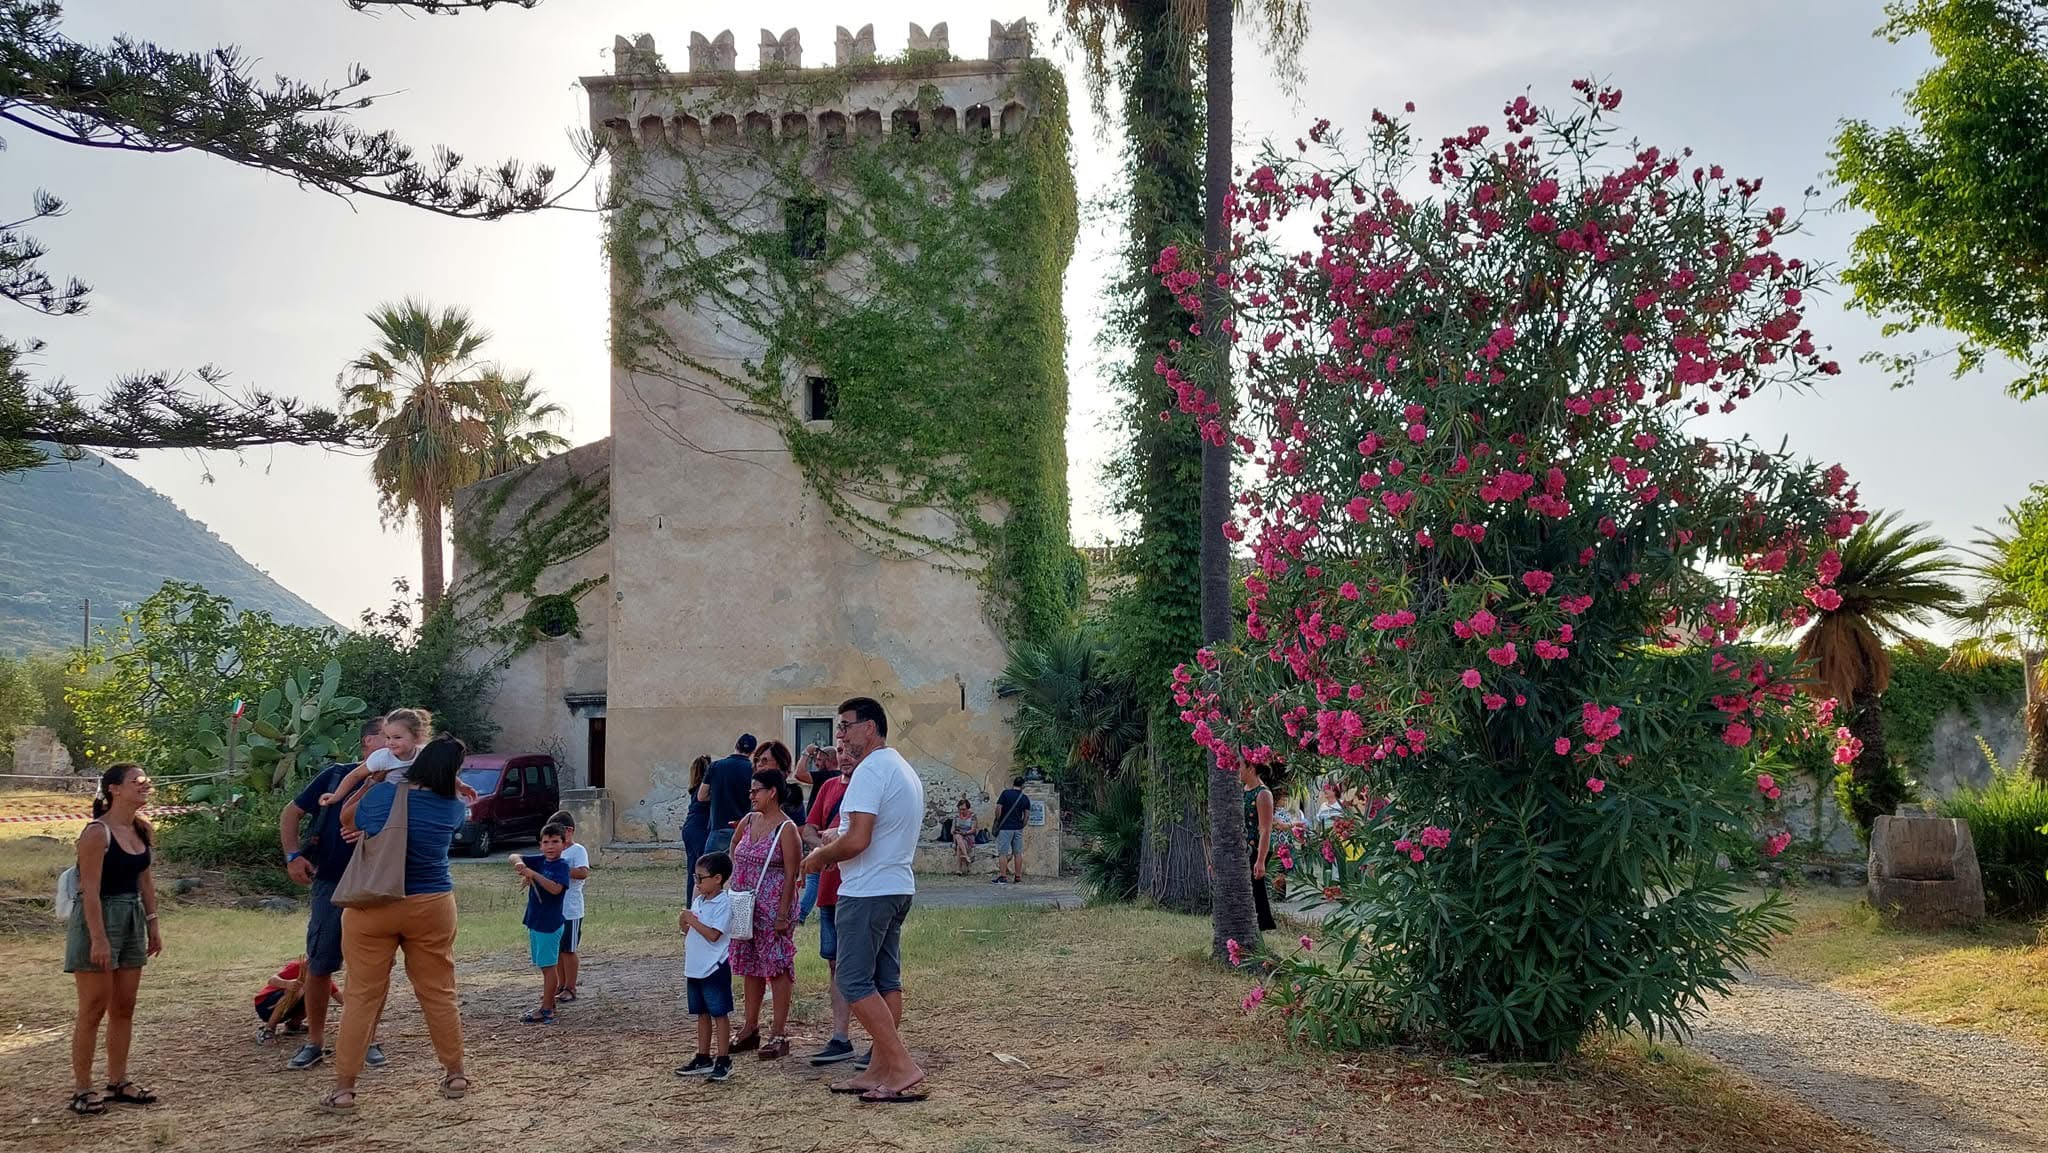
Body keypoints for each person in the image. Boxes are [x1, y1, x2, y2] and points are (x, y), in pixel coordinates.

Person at [319, 735, 472, 1115]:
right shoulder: (453, 808)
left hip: (375, 903)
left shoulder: (382, 796)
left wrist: (373, 779)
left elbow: (347, 819)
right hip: (432, 902)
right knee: (439, 991)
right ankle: (454, 1073)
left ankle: (344, 1088)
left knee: (362, 996)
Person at [800, 696, 926, 1104]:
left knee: (852, 980)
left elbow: (858, 839)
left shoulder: (870, 769)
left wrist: (819, 856)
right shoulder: (900, 767)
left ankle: (901, 1065)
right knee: (885, 979)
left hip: (867, 890)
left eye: (845, 726)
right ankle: (878, 1070)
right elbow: (869, 830)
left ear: (869, 727)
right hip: (895, 885)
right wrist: (838, 837)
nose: (839, 735)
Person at [279, 718, 389, 1072]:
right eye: (386, 737)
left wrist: (376, 836)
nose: (394, 746)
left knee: (374, 967)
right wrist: (293, 856)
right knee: (320, 963)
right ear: (367, 743)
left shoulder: (404, 782)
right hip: (331, 881)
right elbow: (291, 813)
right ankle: (315, 1041)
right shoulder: (334, 777)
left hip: (377, 886)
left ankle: (369, 1039)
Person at [64, 763, 162, 1116]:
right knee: (93, 1008)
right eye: (137, 781)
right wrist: (99, 938)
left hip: (132, 918)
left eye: (146, 780)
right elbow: (88, 891)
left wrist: (153, 924)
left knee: (125, 1006)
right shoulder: (96, 833)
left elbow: (146, 882)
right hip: (99, 919)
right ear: (114, 790)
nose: (145, 786)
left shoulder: (142, 829)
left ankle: (118, 1081)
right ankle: (82, 1088)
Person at [727, 768, 801, 1059]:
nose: (751, 795)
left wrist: (783, 913)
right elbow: (734, 844)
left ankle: (779, 1033)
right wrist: (736, 872)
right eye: (750, 791)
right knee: (751, 965)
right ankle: (750, 1027)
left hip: (773, 907)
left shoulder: (786, 829)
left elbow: (792, 872)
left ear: (772, 792)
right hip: (747, 904)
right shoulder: (748, 821)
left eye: (756, 790)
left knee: (777, 966)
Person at [800, 741, 857, 1066]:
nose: (845, 757)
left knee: (868, 966)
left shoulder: (869, 787)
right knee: (834, 964)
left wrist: (838, 840)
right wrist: (822, 845)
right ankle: (840, 1036)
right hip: (829, 891)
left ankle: (881, 1039)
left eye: (849, 751)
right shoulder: (828, 786)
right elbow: (809, 828)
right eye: (840, 751)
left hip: (858, 890)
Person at [676, 851, 735, 1083]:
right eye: (695, 877)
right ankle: (703, 1056)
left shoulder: (724, 903)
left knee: (719, 1013)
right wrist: (685, 921)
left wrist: (692, 921)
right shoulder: (699, 901)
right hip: (695, 965)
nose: (696, 883)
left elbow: (713, 935)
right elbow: (687, 930)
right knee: (701, 1013)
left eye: (701, 878)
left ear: (717, 878)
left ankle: (723, 1058)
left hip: (714, 966)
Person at [513, 826, 573, 1024]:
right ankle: (549, 1003)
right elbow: (513, 855)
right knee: (544, 966)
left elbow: (556, 889)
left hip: (549, 924)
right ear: (540, 844)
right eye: (546, 842)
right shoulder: (540, 860)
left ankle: (546, 1009)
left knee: (549, 968)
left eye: (555, 841)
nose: (550, 846)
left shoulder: (561, 866)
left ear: (564, 844)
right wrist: (521, 866)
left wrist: (534, 875)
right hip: (535, 921)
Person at [546, 809, 592, 1003]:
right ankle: (560, 985)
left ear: (569, 831)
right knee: (556, 950)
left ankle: (571, 987)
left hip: (571, 910)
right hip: (554, 909)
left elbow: (583, 873)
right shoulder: (554, 853)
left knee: (568, 949)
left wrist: (561, 869)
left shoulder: (577, 851)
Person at [792, 744, 838, 925]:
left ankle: (801, 914)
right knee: (815, 873)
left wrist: (806, 753)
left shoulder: (825, 776)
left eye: (819, 760)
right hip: (824, 833)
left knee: (813, 874)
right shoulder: (833, 777)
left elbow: (799, 773)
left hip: (820, 833)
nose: (816, 763)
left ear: (829, 761)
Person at [254, 957, 340, 1040]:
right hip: (266, 1005)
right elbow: (272, 980)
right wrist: (287, 984)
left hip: (287, 1011)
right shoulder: (300, 966)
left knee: (319, 993)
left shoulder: (322, 978)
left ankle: (293, 1024)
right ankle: (269, 1029)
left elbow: (341, 998)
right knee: (299, 988)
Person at [701, 734, 758, 855]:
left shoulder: (716, 766)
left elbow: (701, 796)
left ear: (736, 745)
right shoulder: (754, 770)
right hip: (744, 828)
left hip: (719, 827)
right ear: (753, 752)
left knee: (711, 868)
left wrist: (718, 794)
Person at [1239, 762, 1278, 932]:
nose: (1236, 770)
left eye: (1239, 766)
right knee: (1252, 887)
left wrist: (1261, 859)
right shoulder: (1243, 791)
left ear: (1250, 768)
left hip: (1257, 846)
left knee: (1256, 886)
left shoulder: (1263, 794)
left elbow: (1265, 829)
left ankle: (1263, 924)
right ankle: (1259, 923)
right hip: (1244, 845)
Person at [752, 739, 808, 829]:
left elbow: (799, 830)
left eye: (764, 760)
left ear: (780, 764)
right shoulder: (754, 792)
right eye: (757, 760)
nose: (759, 764)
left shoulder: (792, 795)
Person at [991, 775, 1031, 885]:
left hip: (1005, 828)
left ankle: (1003, 876)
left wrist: (999, 820)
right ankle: (1018, 876)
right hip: (1017, 828)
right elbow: (1026, 816)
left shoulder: (1005, 794)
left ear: (1013, 783)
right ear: (1023, 785)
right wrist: (1021, 825)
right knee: (1018, 853)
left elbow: (998, 809)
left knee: (1003, 853)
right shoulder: (1025, 798)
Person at [681, 754, 713, 884]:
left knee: (693, 869)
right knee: (704, 868)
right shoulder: (706, 790)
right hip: (700, 829)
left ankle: (691, 902)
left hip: (689, 828)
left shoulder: (695, 789)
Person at [950, 798, 977, 875]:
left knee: (959, 847)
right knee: (958, 836)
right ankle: (966, 856)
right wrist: (956, 831)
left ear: (967, 808)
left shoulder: (973, 816)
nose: (961, 811)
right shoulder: (956, 817)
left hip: (968, 836)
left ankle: (959, 869)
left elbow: (973, 829)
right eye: (960, 809)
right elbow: (952, 830)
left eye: (963, 809)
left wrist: (964, 833)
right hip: (958, 836)